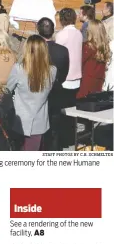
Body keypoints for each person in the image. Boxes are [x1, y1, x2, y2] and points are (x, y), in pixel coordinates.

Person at [7, 35, 57, 151]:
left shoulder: (18, 69)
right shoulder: (53, 70)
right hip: (40, 123)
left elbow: (7, 90)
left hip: (19, 121)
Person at [37, 17, 69, 150]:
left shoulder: (35, 50)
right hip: (56, 90)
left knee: (40, 129)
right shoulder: (62, 50)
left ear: (38, 31)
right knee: (54, 129)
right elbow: (64, 73)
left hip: (38, 92)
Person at [77, 20, 112, 99]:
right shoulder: (104, 45)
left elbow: (80, 62)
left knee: (83, 101)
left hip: (88, 79)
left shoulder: (88, 46)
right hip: (99, 78)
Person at [55, 9, 83, 105]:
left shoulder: (61, 35)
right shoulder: (79, 33)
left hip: (65, 77)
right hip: (77, 76)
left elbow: (57, 55)